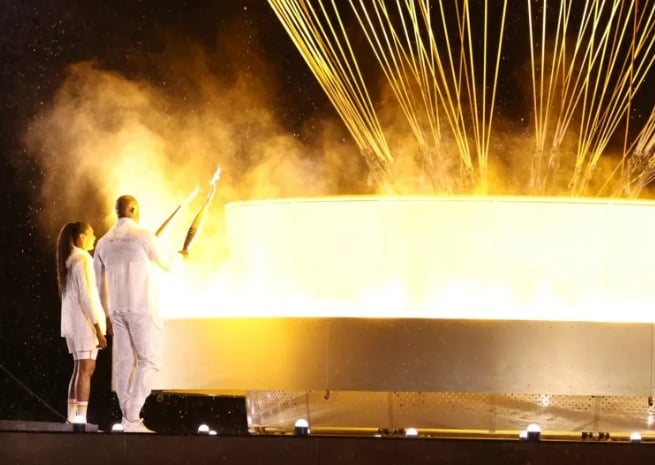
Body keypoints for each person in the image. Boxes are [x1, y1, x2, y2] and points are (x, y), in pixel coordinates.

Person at [93, 195, 184, 433]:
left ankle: (128, 420)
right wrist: (181, 256)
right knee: (150, 361)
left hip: (117, 310)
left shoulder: (103, 242)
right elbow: (168, 265)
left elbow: (97, 284)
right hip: (142, 308)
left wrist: (106, 316)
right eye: (139, 208)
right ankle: (132, 417)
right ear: (132, 209)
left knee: (125, 363)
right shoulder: (144, 236)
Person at [56, 222, 108, 425]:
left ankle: (72, 418)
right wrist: (98, 328)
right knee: (86, 370)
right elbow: (87, 297)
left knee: (78, 369)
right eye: (92, 234)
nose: (94, 238)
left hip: (73, 325)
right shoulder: (83, 259)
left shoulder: (68, 260)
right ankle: (81, 420)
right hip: (84, 324)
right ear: (81, 237)